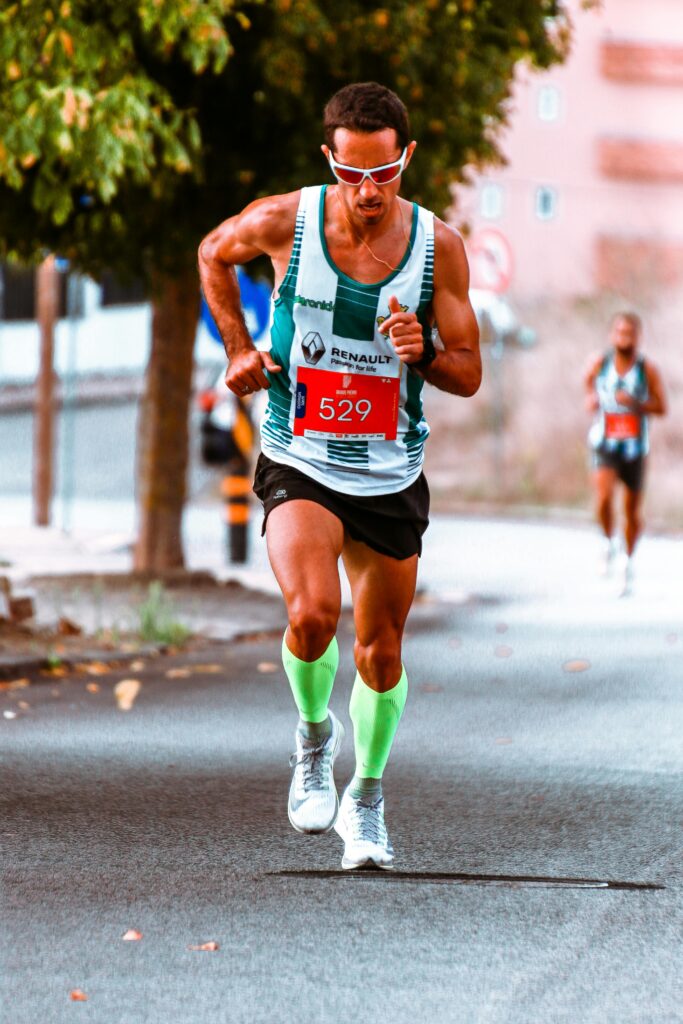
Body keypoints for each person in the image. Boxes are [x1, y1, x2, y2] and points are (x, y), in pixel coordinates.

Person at [198, 82, 481, 869]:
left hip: (389, 472)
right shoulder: (284, 221)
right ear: (330, 159)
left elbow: (467, 372)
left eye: (382, 173)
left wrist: (424, 353)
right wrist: (237, 348)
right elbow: (212, 252)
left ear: (405, 158)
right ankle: (314, 739)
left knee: (380, 653)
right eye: (352, 173)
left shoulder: (439, 248)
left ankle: (368, 799)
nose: (367, 191)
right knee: (313, 613)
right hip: (300, 454)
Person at [584, 312, 667, 595]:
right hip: (605, 443)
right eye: (619, 332)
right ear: (612, 335)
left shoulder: (647, 369)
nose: (624, 338)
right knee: (604, 498)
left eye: (629, 333)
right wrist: (591, 398)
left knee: (631, 510)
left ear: (638, 337)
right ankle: (607, 540)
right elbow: (588, 384)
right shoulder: (600, 363)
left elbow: (661, 407)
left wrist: (635, 403)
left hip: (634, 447)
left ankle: (626, 561)